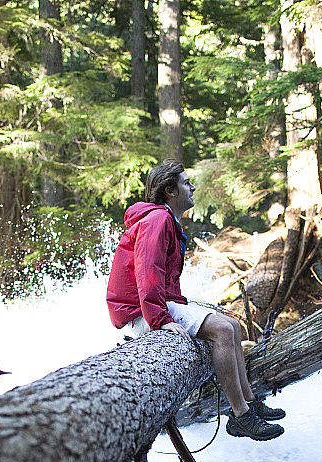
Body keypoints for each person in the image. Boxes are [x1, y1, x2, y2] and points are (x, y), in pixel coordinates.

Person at [106, 161, 285, 441]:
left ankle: (250, 401)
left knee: (234, 327)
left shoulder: (165, 220)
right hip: (138, 312)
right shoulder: (157, 220)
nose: (192, 187)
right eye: (186, 183)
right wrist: (161, 321)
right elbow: (147, 273)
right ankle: (240, 416)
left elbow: (164, 281)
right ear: (170, 191)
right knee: (223, 331)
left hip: (150, 305)